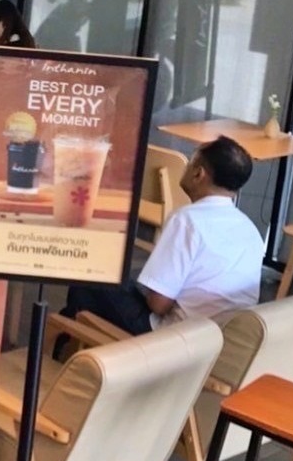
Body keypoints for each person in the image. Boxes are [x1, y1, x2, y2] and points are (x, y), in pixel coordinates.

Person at [59, 135, 263, 337]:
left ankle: (67, 336)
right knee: (113, 288)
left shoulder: (187, 221)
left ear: (198, 174)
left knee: (92, 273)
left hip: (171, 338)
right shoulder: (251, 230)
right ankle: (69, 335)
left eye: (190, 162)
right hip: (220, 339)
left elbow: (158, 304)